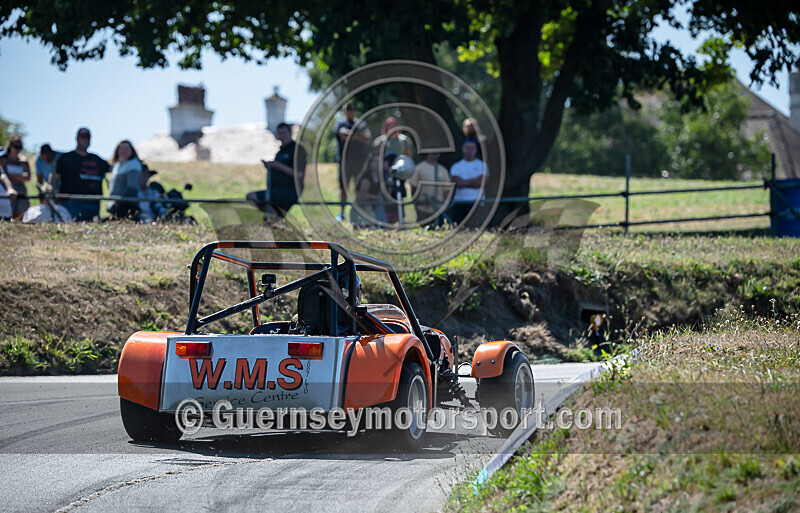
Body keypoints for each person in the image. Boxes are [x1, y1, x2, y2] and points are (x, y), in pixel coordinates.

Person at [246, 122, 307, 220]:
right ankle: (276, 218)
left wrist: (278, 166)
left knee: (253, 197)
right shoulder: (279, 152)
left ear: (290, 133)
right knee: (251, 197)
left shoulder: (297, 150)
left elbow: (299, 175)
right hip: (275, 190)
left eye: (284, 133)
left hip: (289, 191)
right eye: (280, 133)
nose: (282, 136)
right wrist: (270, 166)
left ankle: (275, 218)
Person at [52, 127, 109, 221]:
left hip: (94, 203)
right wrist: (55, 194)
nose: (85, 140)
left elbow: (113, 169)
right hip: (71, 203)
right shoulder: (65, 158)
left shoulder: (97, 160)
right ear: (77, 138)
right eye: (83, 137)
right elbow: (55, 179)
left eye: (87, 137)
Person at [334, 103, 371, 221]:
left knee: (359, 189)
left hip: (360, 161)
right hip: (345, 162)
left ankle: (358, 214)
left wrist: (350, 135)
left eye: (352, 110)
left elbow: (367, 138)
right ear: (344, 111)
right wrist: (358, 136)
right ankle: (342, 213)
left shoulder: (361, 124)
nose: (351, 112)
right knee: (344, 188)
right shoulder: (340, 123)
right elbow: (343, 135)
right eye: (348, 110)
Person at [448, 137, 488, 225]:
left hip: (477, 203)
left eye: (472, 148)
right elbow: (457, 183)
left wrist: (464, 182)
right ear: (463, 148)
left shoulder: (482, 165)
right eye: (467, 148)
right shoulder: (456, 166)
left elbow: (481, 183)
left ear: (476, 149)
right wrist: (473, 180)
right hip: (459, 203)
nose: (469, 150)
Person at [409, 152, 452, 227]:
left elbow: (446, 190)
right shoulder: (419, 168)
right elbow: (413, 186)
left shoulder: (443, 170)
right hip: (423, 208)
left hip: (438, 208)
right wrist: (416, 202)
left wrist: (444, 206)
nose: (434, 155)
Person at [107, 140, 144, 218]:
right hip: (116, 205)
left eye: (126, 149)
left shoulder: (133, 165)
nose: (124, 151)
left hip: (126, 206)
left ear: (132, 151)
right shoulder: (118, 165)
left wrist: (118, 202)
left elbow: (132, 188)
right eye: (121, 149)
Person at [349, 154, 387, 227]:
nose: (378, 164)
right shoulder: (366, 178)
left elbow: (380, 194)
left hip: (373, 207)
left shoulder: (381, 178)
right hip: (362, 208)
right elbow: (362, 196)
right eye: (375, 162)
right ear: (370, 164)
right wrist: (375, 197)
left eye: (379, 162)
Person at [1, 137, 31, 220]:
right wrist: (19, 177)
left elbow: (28, 177)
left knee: (21, 213)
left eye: (20, 147)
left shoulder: (23, 160)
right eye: (16, 146)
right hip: (6, 189)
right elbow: (3, 175)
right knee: (8, 212)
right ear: (10, 146)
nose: (18, 149)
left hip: (21, 190)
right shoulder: (4, 159)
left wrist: (12, 176)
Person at [0, 149, 18, 220]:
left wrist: (10, 189)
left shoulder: (2, 172)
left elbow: (3, 177)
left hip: (5, 215)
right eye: (1, 158)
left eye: (4, 158)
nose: (3, 160)